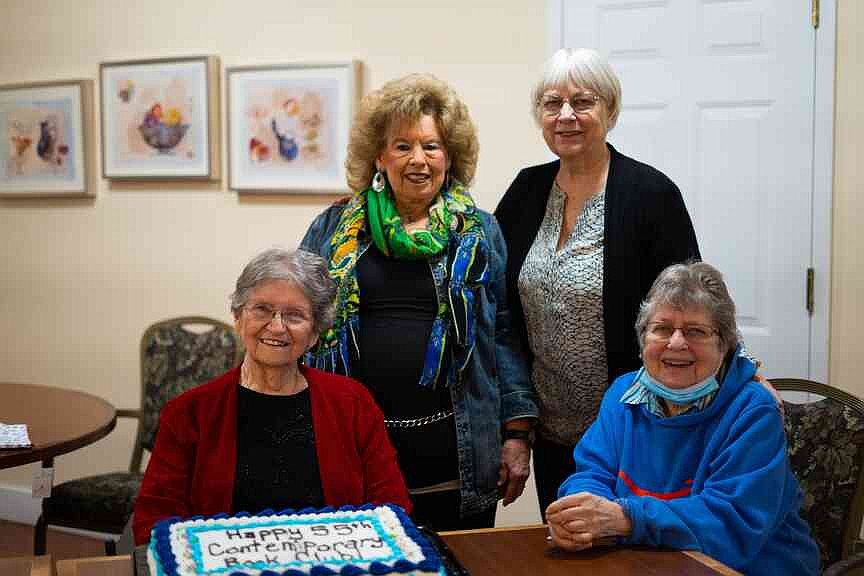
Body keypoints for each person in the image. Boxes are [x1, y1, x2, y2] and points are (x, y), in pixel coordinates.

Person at [301, 74, 538, 531]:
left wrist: (516, 435)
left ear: (450, 156)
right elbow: (298, 322)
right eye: (402, 146)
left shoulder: (480, 232)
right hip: (354, 450)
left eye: (432, 146)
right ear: (379, 156)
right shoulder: (334, 229)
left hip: (457, 452)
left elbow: (504, 335)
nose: (419, 160)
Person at [494, 48, 700, 518]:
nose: (566, 115)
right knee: (568, 541)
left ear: (609, 110)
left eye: (582, 101)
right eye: (552, 103)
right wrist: (518, 428)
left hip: (639, 428)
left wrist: (743, 365)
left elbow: (693, 305)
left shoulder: (651, 194)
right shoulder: (526, 191)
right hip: (552, 432)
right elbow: (497, 303)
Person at [546, 262, 820, 575]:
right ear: (643, 339)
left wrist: (624, 518)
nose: (676, 343)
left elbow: (731, 525)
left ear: (725, 344)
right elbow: (592, 472)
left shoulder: (753, 410)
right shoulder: (622, 395)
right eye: (661, 328)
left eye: (695, 331)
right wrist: (581, 515)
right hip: (648, 560)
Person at [133, 249, 410, 544]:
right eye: (262, 309)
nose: (277, 327)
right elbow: (155, 522)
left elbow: (391, 511)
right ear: (238, 319)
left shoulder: (353, 403)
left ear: (315, 332)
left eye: (294, 315)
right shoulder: (188, 413)